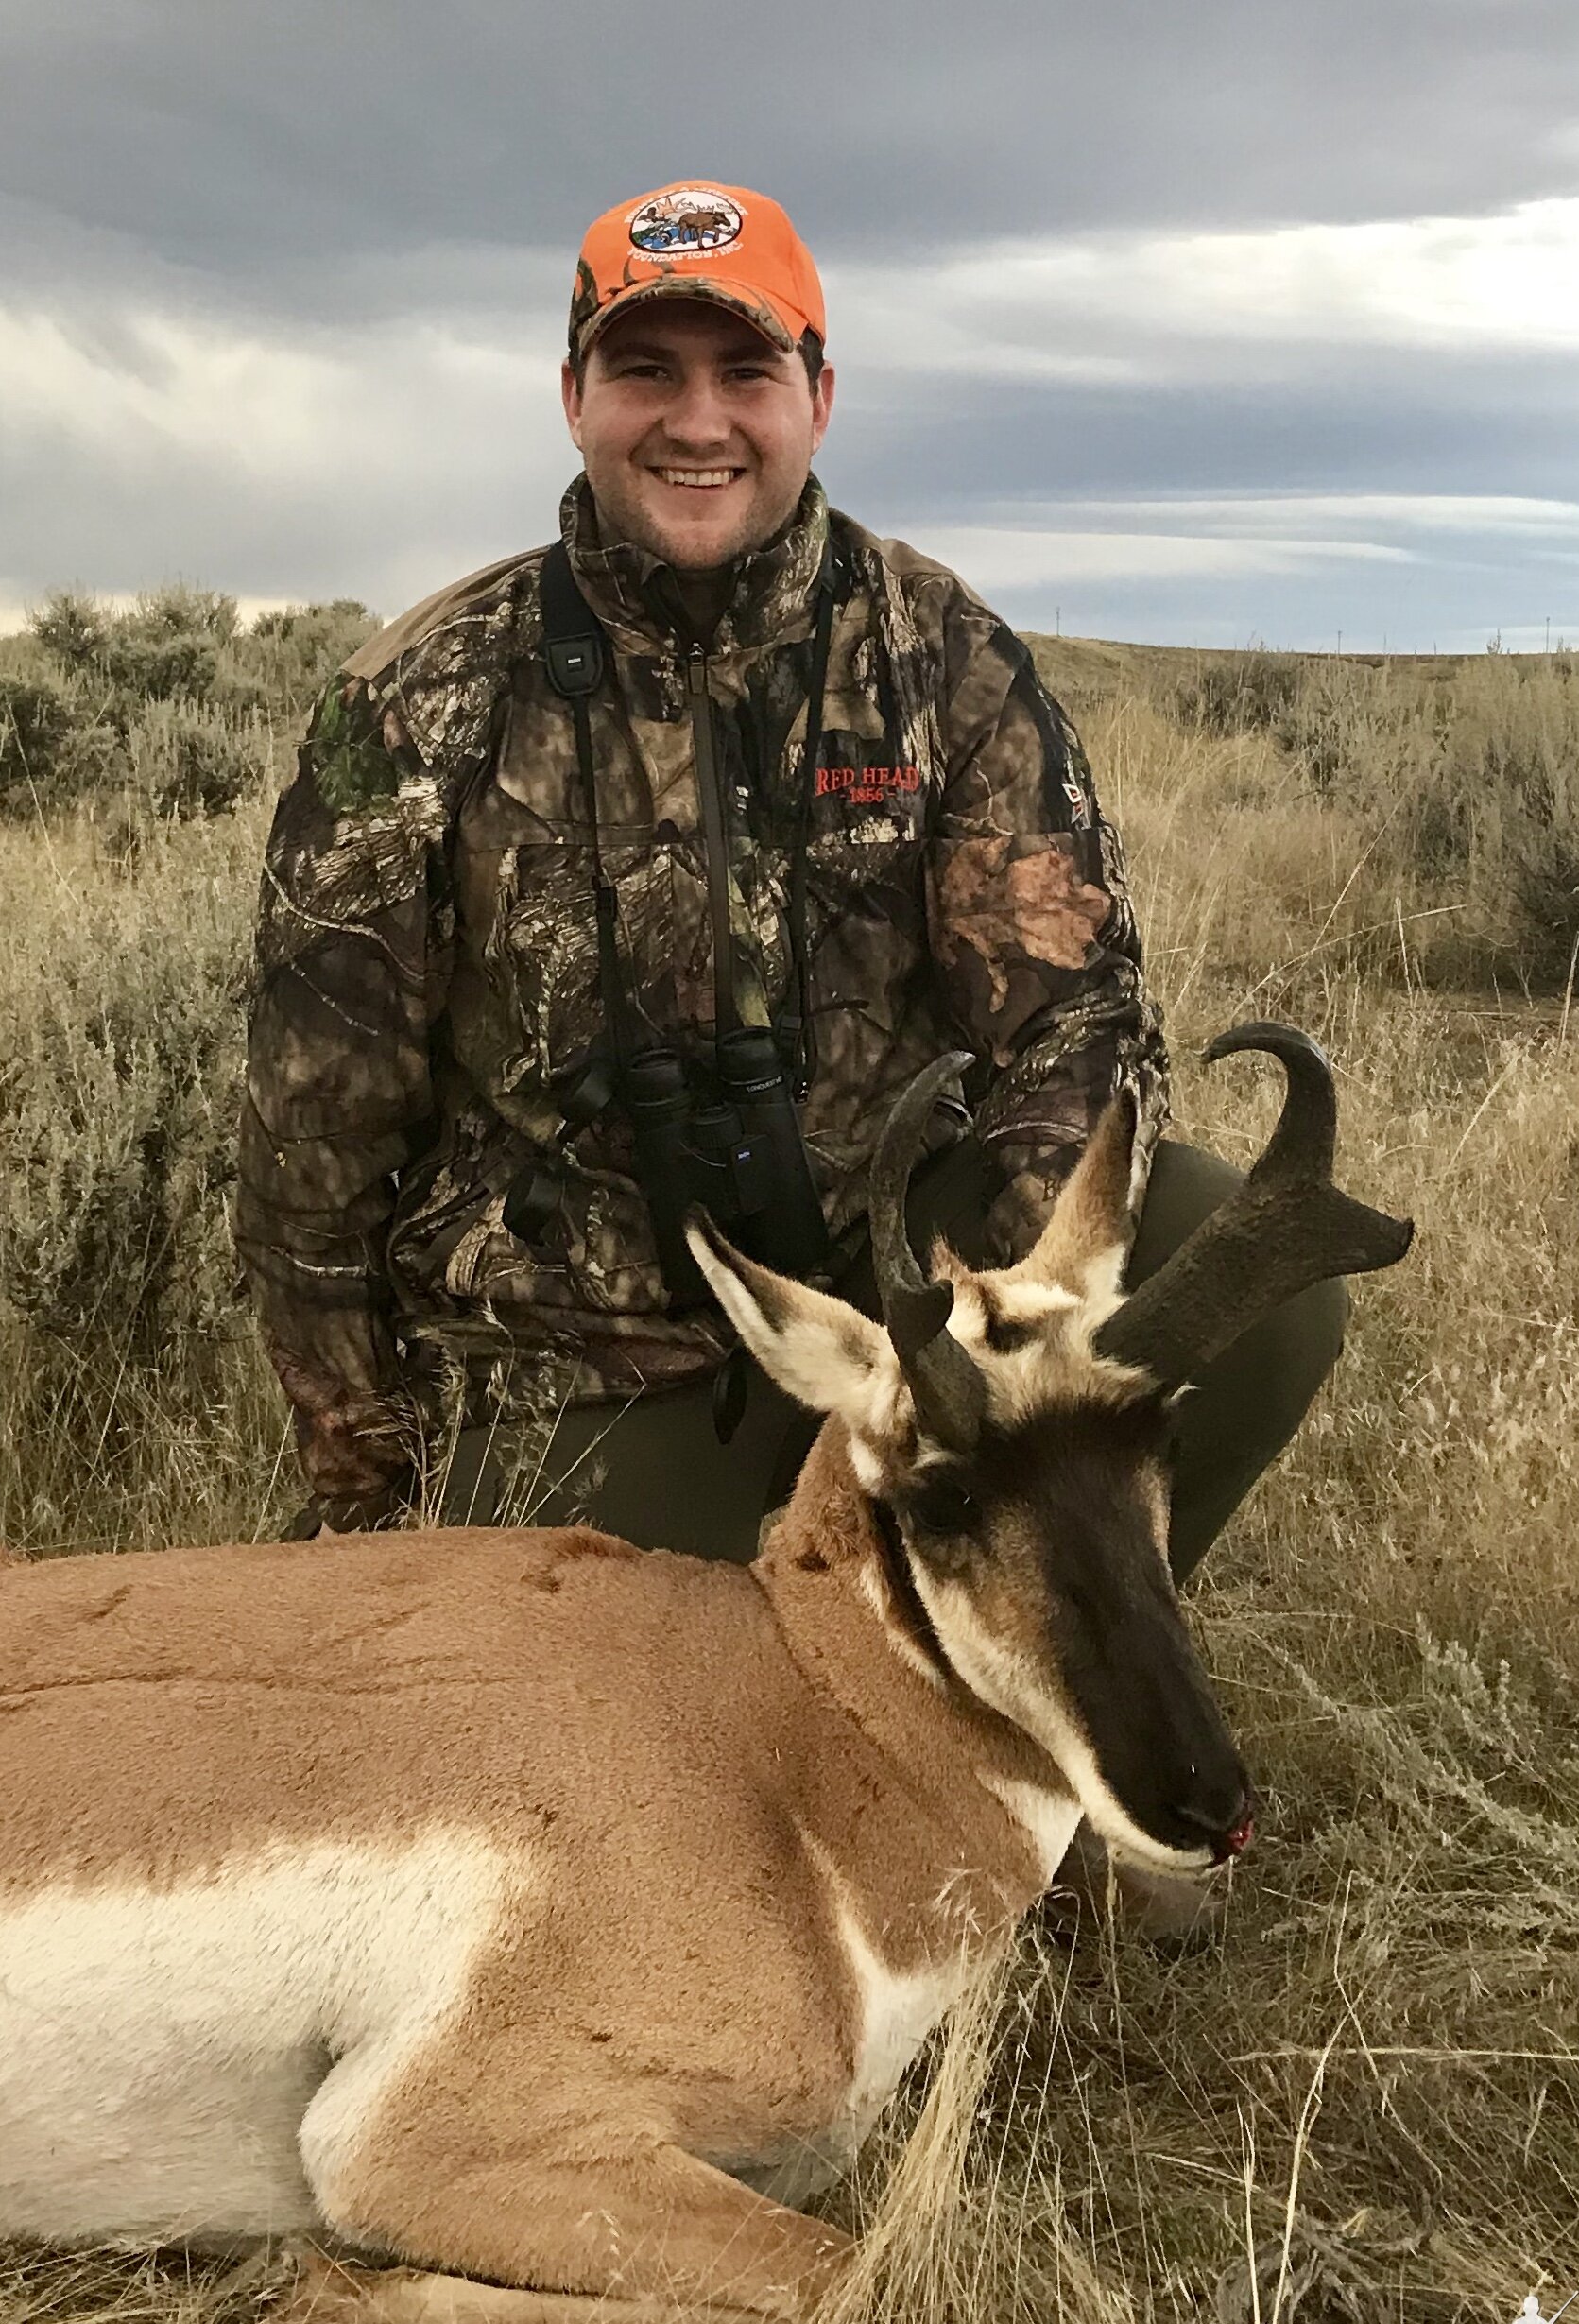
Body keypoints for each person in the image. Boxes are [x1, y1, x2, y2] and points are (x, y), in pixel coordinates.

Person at [234, 180, 1343, 1575]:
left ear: (818, 394)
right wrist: (365, 1488)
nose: (698, 422)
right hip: (581, 1363)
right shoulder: (419, 698)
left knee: (1233, 1257)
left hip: (906, 1310)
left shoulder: (943, 657)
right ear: (574, 395)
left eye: (745, 372)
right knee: (600, 1752)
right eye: (646, 371)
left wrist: (980, 1357)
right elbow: (311, 1148)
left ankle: (1044, 1643)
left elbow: (1079, 1032)